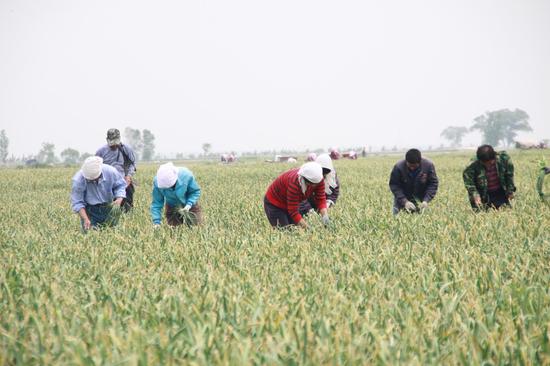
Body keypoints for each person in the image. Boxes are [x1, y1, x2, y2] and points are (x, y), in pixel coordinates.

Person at [264, 162, 330, 228]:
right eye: (311, 184)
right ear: (305, 179)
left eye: (316, 184)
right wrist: (308, 228)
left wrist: (325, 216)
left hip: (288, 202)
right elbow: (293, 212)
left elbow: (321, 199)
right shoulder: (294, 183)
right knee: (284, 230)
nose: (314, 186)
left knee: (294, 228)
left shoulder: (318, 179)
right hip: (274, 203)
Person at [70, 156, 127, 231]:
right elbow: (77, 202)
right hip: (90, 211)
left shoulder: (110, 171)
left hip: (110, 208)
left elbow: (120, 185)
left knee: (112, 233)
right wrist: (85, 219)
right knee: (89, 236)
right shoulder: (78, 180)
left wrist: (119, 198)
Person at [463, 144, 516, 210]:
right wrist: (475, 195)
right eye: (485, 164)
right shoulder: (471, 166)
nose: (488, 167)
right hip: (483, 195)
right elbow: (470, 184)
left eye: (490, 163)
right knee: (482, 213)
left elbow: (509, 176)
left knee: (506, 210)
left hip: (500, 192)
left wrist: (510, 191)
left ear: (494, 157)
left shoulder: (503, 159)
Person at [95, 128, 137, 212]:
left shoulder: (126, 149)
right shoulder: (101, 151)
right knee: (109, 210)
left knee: (127, 209)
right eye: (111, 142)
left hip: (124, 182)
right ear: (107, 140)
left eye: (116, 142)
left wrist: (128, 176)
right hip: (107, 184)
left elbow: (132, 164)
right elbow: (95, 167)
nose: (114, 145)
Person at [150, 162, 202, 227]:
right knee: (174, 231)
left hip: (190, 205)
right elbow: (157, 203)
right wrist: (156, 222)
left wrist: (189, 204)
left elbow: (195, 191)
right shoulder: (157, 182)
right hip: (172, 206)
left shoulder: (186, 175)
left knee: (195, 227)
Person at [389, 148, 438, 214]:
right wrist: (405, 201)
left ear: (419, 162)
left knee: (421, 220)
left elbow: (433, 184)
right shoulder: (398, 167)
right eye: (410, 166)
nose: (412, 168)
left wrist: (426, 200)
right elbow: (394, 185)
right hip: (402, 199)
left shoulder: (428, 166)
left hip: (420, 200)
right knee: (396, 219)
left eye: (414, 166)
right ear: (406, 161)